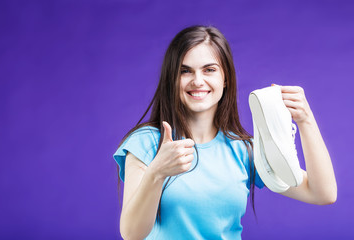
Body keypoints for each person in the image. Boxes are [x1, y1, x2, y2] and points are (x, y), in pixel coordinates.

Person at [113, 25, 337, 240]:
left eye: (209, 70)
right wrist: (156, 173)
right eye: (185, 71)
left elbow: (322, 193)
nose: (197, 81)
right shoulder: (147, 144)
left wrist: (306, 120)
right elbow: (131, 234)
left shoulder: (244, 149)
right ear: (171, 79)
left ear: (225, 78)